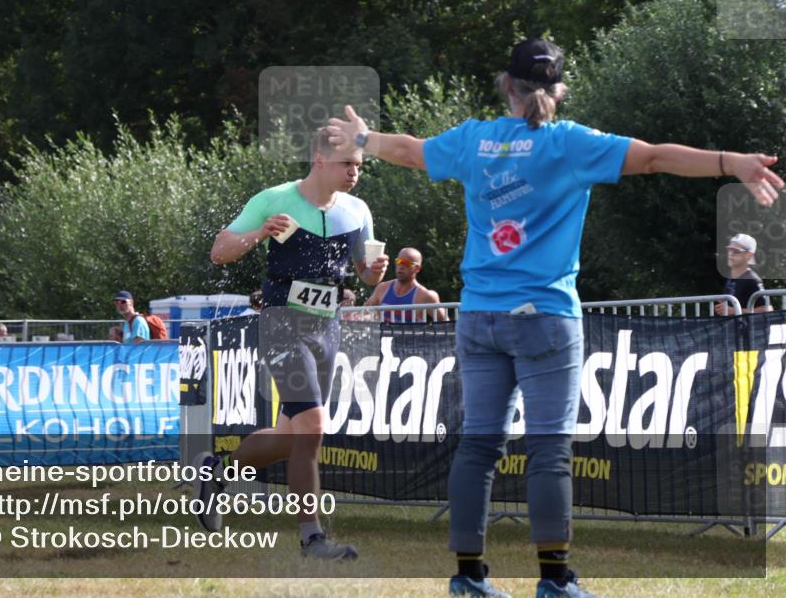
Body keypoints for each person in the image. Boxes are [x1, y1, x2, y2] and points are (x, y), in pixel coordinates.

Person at [327, 38, 783, 598]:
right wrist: (728, 163)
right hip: (545, 317)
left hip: (480, 316)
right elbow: (658, 156)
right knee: (549, 449)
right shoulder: (571, 144)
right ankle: (554, 580)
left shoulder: (476, 140)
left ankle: (468, 577)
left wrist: (365, 140)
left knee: (477, 446)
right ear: (559, 90)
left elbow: (411, 151)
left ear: (508, 85)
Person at [197, 126, 388, 560]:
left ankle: (217, 473)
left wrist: (374, 272)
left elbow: (363, 272)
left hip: (327, 327)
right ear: (320, 160)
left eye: (359, 166)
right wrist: (260, 233)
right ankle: (312, 538)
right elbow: (220, 251)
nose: (355, 173)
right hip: (282, 323)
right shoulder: (274, 199)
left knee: (290, 436)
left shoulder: (358, 210)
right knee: (314, 427)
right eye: (347, 164)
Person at [364, 246, 447, 322]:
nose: (401, 266)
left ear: (417, 269)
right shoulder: (382, 288)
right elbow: (364, 312)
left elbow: (446, 324)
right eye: (399, 261)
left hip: (411, 338)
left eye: (406, 263)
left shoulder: (426, 296)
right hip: (384, 338)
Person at [715, 233, 773, 315]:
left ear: (748, 255)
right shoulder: (731, 277)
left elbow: (768, 309)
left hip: (748, 327)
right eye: (729, 249)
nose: (731, 254)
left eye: (736, 251)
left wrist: (737, 311)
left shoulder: (752, 279)